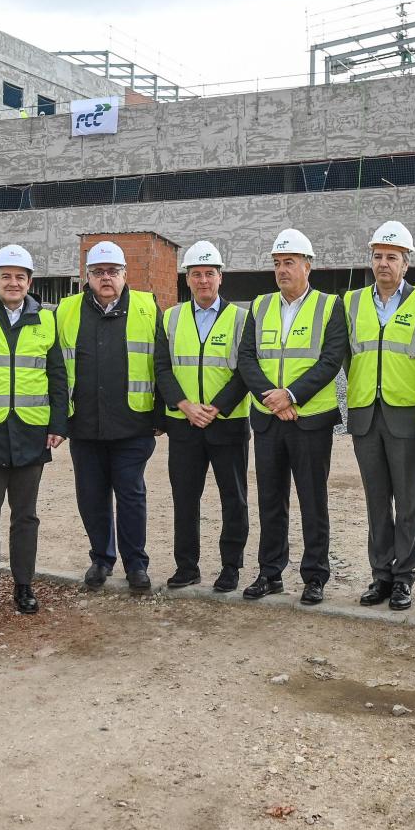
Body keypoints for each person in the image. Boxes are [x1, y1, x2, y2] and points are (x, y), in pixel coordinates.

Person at [235, 228, 349, 605]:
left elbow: (331, 360)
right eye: (277, 264)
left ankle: (315, 576)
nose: (282, 270)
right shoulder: (260, 305)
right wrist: (272, 399)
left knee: (313, 500)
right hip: (269, 419)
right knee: (270, 499)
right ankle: (270, 573)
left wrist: (292, 395)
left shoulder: (330, 306)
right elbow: (247, 358)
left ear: (308, 266)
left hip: (310, 419)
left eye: (290, 263)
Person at [0, 244, 69, 617]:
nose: (13, 282)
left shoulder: (47, 319)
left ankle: (24, 586)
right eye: (5, 276)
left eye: (20, 277)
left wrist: (58, 423)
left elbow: (57, 374)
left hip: (30, 433)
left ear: (30, 282)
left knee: (26, 516)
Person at [57, 241, 167, 594]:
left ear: (125, 274)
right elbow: (56, 368)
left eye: (113, 272)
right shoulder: (66, 310)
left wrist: (160, 415)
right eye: (98, 272)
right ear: (86, 276)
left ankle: (136, 564)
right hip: (85, 424)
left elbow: (161, 365)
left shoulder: (148, 308)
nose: (106, 278)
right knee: (91, 495)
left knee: (131, 494)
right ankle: (101, 559)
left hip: (133, 424)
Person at [344, 221, 415, 610]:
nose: (384, 263)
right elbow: (347, 356)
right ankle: (381, 574)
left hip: (406, 414)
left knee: (408, 500)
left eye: (392, 257)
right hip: (366, 414)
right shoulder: (351, 302)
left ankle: (404, 577)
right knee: (376, 500)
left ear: (406, 263)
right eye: (378, 256)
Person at [158, 241, 252, 592]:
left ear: (220, 277)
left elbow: (246, 369)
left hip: (227, 423)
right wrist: (184, 405)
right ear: (187, 278)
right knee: (184, 498)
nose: (202, 280)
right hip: (184, 425)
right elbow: (162, 368)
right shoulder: (170, 317)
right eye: (196, 274)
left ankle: (231, 567)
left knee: (234, 498)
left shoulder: (241, 318)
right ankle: (187, 566)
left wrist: (216, 407)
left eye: (209, 273)